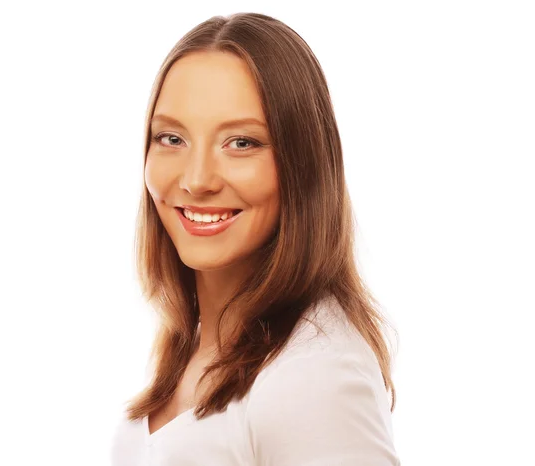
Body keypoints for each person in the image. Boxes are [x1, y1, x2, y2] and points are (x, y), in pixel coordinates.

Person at [112, 12, 400, 466]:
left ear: (302, 164)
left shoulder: (315, 375)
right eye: (171, 138)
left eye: (242, 142)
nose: (197, 179)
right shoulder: (195, 340)